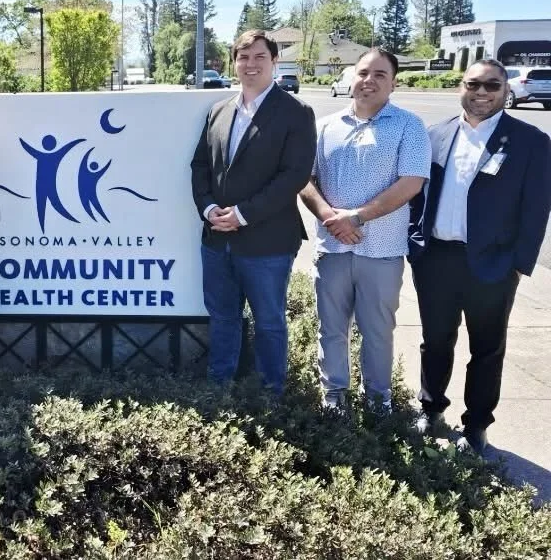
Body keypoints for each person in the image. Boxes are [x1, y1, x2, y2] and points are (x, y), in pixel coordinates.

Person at [408, 59, 551, 454]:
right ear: (461, 86)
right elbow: (416, 196)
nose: (482, 92)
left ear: (506, 90)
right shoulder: (434, 135)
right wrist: (414, 244)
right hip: (435, 259)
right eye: (474, 84)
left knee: (486, 349)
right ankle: (431, 408)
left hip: (493, 265)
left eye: (492, 85)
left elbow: (537, 208)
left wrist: (519, 265)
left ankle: (476, 426)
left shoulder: (530, 141)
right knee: (435, 340)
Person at [299, 49, 430, 412]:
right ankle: (334, 396)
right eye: (362, 73)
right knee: (331, 329)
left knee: (376, 332)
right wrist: (330, 216)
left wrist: (355, 218)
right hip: (333, 248)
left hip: (382, 250)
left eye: (379, 75)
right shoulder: (326, 126)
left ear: (394, 82)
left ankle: (377, 399)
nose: (368, 80)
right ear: (351, 78)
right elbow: (306, 180)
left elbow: (411, 183)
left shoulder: (409, 125)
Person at [190, 29, 316, 394]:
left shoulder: (296, 113)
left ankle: (270, 393)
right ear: (234, 63)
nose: (251, 64)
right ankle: (221, 386)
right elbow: (201, 166)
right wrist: (209, 207)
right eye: (243, 57)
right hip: (216, 240)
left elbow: (293, 176)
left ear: (275, 62)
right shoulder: (218, 110)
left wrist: (243, 214)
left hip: (268, 241)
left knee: (270, 322)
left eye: (260, 57)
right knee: (223, 317)